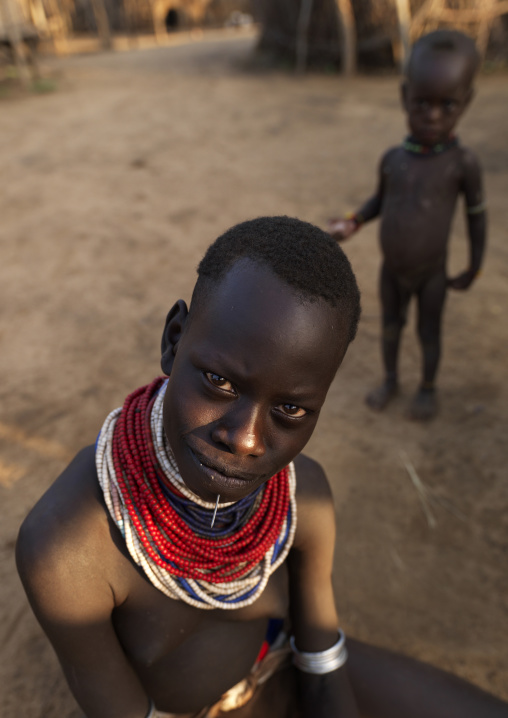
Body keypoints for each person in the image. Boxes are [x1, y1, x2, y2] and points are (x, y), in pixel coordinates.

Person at [16, 217, 506, 718]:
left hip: (282, 670)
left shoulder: (301, 496)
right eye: (218, 381)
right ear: (173, 338)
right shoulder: (68, 547)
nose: (245, 439)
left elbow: (319, 657)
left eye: (290, 410)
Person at [329, 30, 487, 420]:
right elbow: (380, 201)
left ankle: (428, 389)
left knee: (428, 332)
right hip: (391, 270)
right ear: (404, 97)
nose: (432, 115)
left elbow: (476, 216)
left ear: (466, 103)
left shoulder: (462, 164)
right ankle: (391, 380)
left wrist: (474, 265)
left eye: (447, 105)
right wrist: (353, 222)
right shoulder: (393, 159)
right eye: (421, 103)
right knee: (390, 329)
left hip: (432, 273)